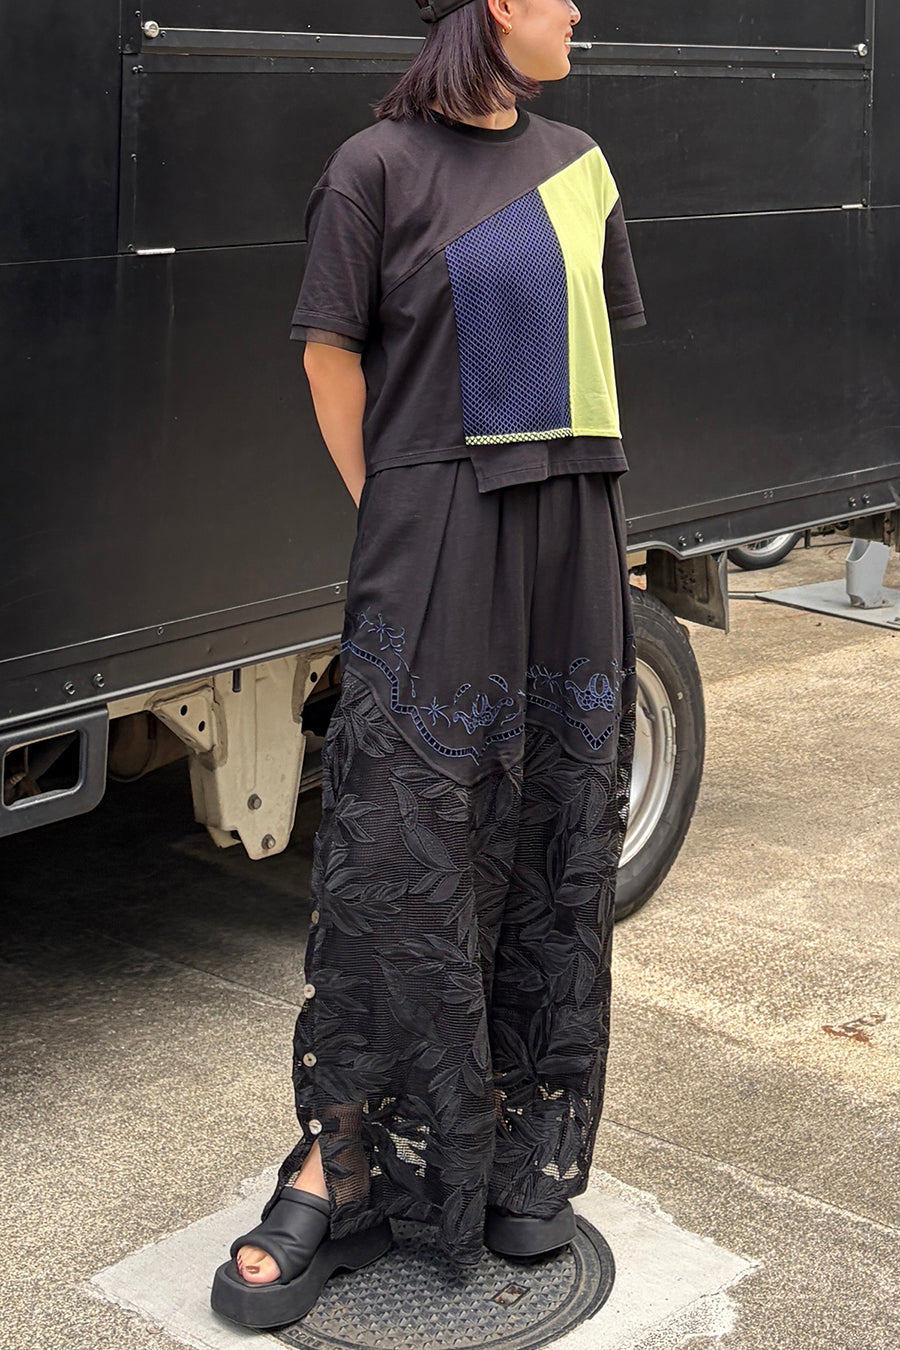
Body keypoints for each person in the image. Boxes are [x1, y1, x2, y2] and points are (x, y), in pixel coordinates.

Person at [211, 0, 645, 1329]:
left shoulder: (580, 165)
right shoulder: (376, 167)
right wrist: (397, 508)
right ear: (495, 4)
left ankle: (519, 1149)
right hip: (436, 519)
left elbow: (595, 354)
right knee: (405, 844)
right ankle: (339, 1164)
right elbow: (329, 356)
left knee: (554, 830)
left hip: (574, 524)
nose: (580, 10)